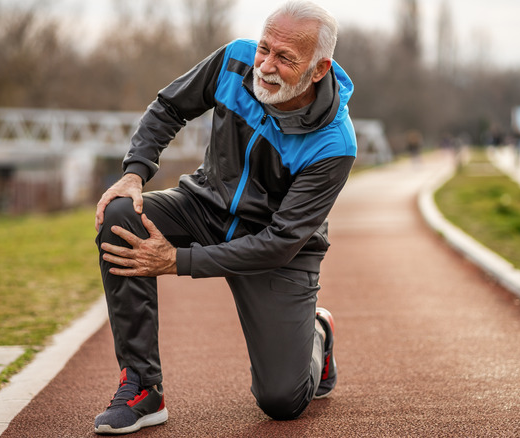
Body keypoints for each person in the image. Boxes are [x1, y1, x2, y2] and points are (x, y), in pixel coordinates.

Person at [92, 1, 355, 434]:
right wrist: (134, 174)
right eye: (265, 48)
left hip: (281, 253)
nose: (266, 66)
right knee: (121, 216)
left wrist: (177, 262)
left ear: (319, 69)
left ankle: (317, 334)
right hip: (203, 206)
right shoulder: (234, 60)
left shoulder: (335, 144)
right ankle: (142, 386)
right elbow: (169, 107)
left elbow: (279, 242)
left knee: (281, 402)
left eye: (285, 58)